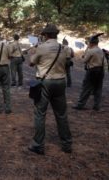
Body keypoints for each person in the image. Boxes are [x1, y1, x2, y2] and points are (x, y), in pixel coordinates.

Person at [28, 24, 72, 155]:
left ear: (45, 35)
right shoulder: (64, 48)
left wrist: (34, 52)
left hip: (45, 82)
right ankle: (67, 144)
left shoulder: (41, 47)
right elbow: (67, 62)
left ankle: (38, 145)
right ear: (56, 35)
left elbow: (31, 63)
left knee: (40, 113)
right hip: (60, 81)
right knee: (61, 114)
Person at [73, 33, 105, 111]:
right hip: (100, 70)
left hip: (92, 71)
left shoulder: (91, 51)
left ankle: (80, 104)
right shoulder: (101, 50)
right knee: (98, 89)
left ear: (92, 43)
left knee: (86, 88)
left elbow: (84, 61)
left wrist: (82, 56)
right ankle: (97, 106)